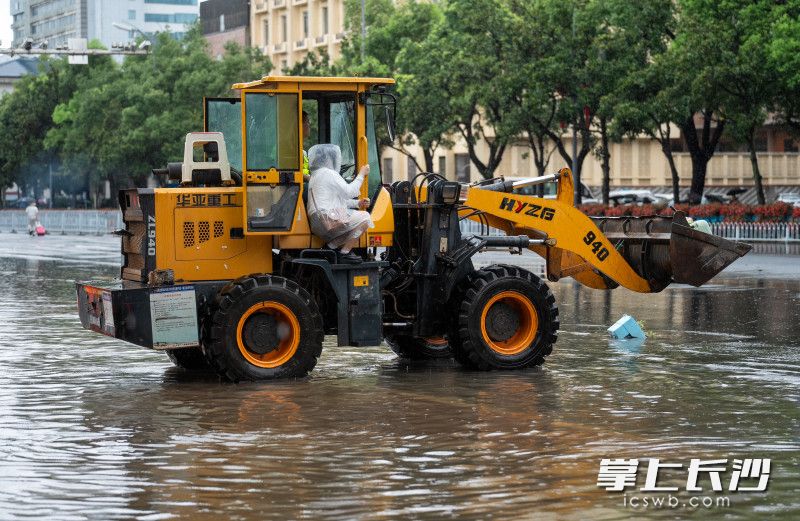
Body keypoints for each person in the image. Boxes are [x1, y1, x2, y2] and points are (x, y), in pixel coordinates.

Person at [306, 144, 372, 262]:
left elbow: (336, 200)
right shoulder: (329, 173)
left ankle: (330, 247)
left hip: (317, 223)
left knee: (352, 224)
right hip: (327, 219)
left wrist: (358, 203)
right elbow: (350, 191)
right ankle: (344, 253)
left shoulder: (315, 176)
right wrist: (362, 174)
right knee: (366, 218)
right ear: (328, 159)